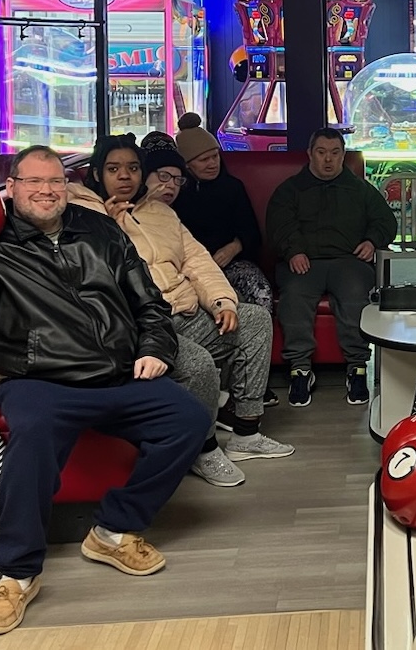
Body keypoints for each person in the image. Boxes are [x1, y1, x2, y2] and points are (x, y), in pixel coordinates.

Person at [0, 145, 207, 635]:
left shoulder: (100, 229)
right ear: (11, 187)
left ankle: (113, 529)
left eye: (55, 182)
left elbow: (149, 301)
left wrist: (155, 347)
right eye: (34, 181)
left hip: (115, 373)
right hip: (38, 380)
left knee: (189, 420)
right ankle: (17, 575)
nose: (46, 191)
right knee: (32, 437)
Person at [68, 134, 293, 486]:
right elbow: (87, 277)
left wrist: (222, 301)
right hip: (141, 326)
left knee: (254, 320)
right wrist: (108, 227)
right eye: (114, 169)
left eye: (132, 168)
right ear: (97, 173)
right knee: (198, 364)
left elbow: (197, 261)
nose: (125, 176)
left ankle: (246, 433)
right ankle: (203, 448)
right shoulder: (80, 215)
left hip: (185, 312)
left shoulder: (160, 212)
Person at [265, 127, 397, 407]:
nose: (328, 159)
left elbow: (386, 221)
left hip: (348, 261)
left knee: (355, 295)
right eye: (322, 152)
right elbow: (279, 225)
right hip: (304, 261)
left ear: (343, 155)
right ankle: (300, 369)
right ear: (310, 154)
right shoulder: (290, 189)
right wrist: (293, 251)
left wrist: (372, 241)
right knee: (294, 297)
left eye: (335, 153)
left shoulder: (360, 189)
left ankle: (357, 367)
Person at [172, 114, 275, 311]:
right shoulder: (176, 193)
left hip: (232, 263)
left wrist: (234, 247)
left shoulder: (233, 187)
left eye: (215, 156)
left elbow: (252, 232)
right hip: (189, 267)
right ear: (187, 165)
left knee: (261, 292)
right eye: (204, 160)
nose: (212, 164)